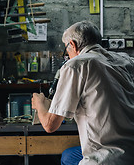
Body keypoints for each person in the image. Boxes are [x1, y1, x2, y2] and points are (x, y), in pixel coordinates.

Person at [32, 20, 134, 165]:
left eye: (66, 50)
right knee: (68, 156)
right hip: (130, 151)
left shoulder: (76, 65)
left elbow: (50, 125)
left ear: (72, 45)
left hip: (105, 157)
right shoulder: (126, 60)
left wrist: (39, 104)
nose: (67, 55)